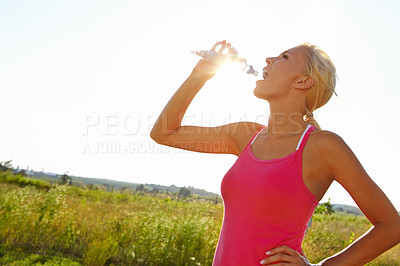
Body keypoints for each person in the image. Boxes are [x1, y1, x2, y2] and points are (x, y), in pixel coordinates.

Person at [150, 40, 400, 265]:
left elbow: (391, 226)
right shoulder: (245, 135)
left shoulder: (324, 147)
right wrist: (198, 76)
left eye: (285, 57)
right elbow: (163, 133)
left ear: (303, 81)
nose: (268, 60)